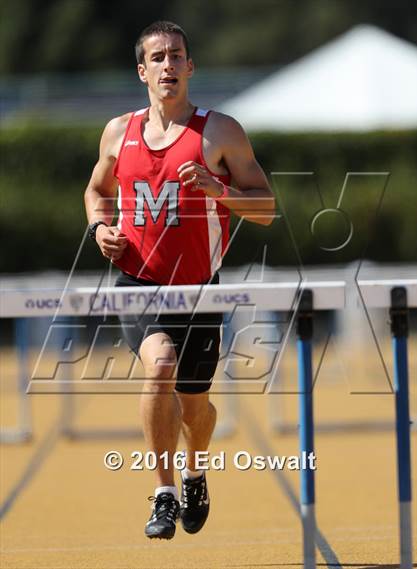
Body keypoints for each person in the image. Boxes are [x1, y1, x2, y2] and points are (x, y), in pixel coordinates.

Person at [84, 20, 275, 540]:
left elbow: (265, 209)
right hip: (137, 281)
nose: (169, 65)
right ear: (142, 70)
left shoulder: (220, 131)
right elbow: (96, 191)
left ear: (190, 66)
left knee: (195, 404)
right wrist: (101, 227)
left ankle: (195, 470)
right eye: (159, 57)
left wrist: (218, 188)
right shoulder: (118, 132)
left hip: (199, 286)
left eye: (177, 55)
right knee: (160, 363)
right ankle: (164, 491)